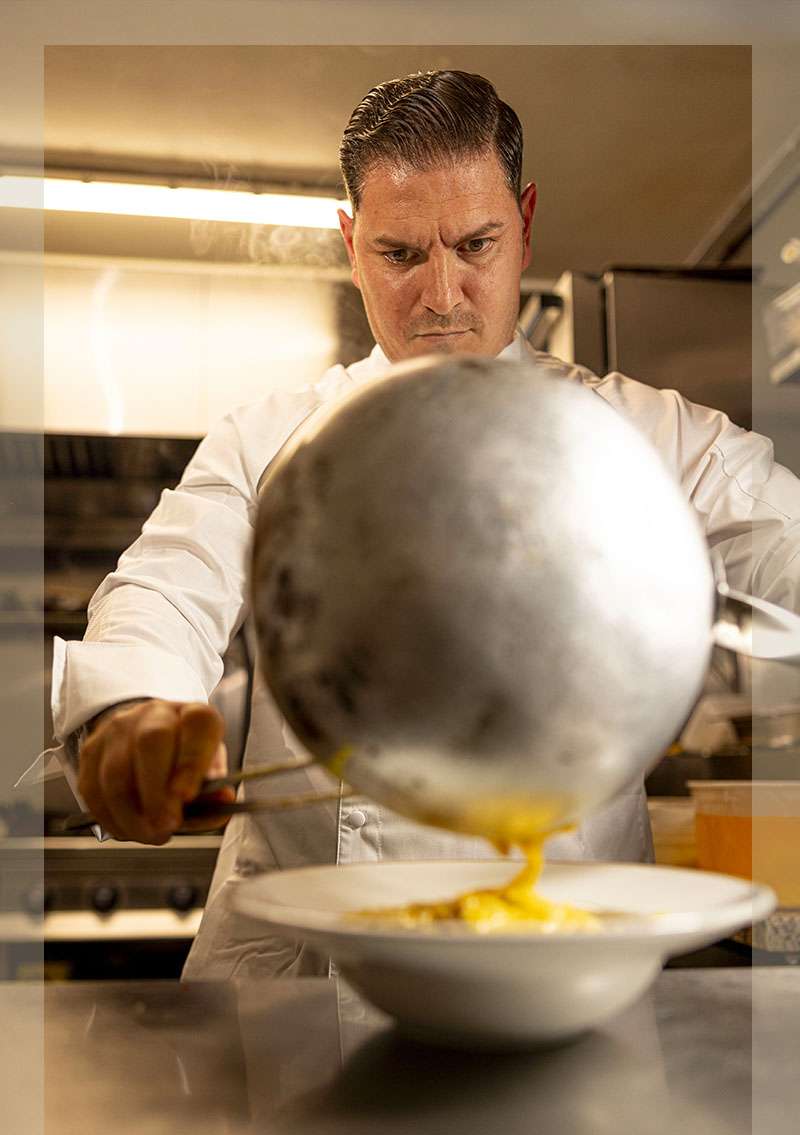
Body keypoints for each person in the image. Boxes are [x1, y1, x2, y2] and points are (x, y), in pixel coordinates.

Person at [48, 70, 800, 978]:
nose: (441, 295)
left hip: (561, 974)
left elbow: (782, 547)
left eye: (475, 243)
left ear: (524, 225)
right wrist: (133, 708)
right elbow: (163, 592)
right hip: (301, 995)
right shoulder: (271, 438)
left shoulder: (647, 438)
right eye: (401, 255)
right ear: (349, 244)